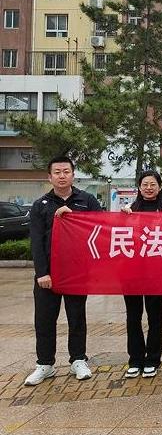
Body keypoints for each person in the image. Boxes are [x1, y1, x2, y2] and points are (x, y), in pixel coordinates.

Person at [25, 155, 102, 386]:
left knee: (76, 318)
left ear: (73, 175)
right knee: (44, 320)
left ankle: (78, 360)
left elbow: (101, 228)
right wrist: (42, 273)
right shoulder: (40, 205)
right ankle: (45, 364)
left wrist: (74, 217)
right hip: (48, 275)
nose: (62, 176)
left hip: (76, 273)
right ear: (50, 177)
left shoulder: (87, 200)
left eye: (66, 171)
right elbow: (36, 241)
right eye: (57, 172)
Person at [121, 170, 162, 378]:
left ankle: (153, 359)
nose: (149, 188)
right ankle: (135, 359)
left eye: (153, 184)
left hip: (156, 273)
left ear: (160, 188)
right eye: (145, 184)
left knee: (155, 316)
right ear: (139, 187)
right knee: (133, 317)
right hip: (131, 272)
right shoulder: (127, 211)